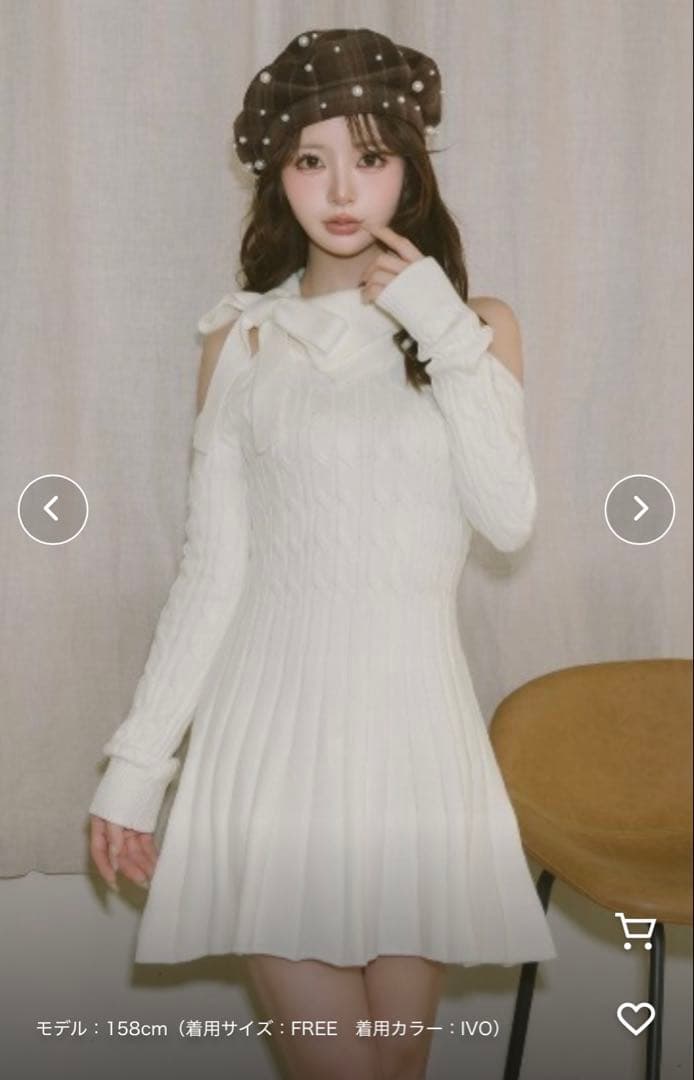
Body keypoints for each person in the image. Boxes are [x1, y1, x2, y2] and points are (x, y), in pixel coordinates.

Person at [88, 26, 556, 1080]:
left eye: (371, 157)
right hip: (270, 733)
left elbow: (508, 519)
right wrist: (136, 766)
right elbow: (214, 570)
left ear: (410, 171)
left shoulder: (474, 326)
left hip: (414, 734)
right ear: (276, 176)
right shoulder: (242, 340)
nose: (342, 189)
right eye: (311, 159)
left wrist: (442, 327)